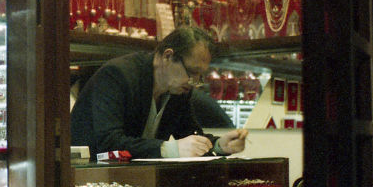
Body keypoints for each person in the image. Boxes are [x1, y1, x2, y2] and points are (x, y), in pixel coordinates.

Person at [70, 26, 248, 158]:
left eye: (199, 76)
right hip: (85, 176)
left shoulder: (178, 91)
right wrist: (169, 149)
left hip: (132, 179)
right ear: (168, 56)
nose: (194, 83)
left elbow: (190, 136)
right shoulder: (118, 75)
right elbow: (109, 143)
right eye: (191, 72)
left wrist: (219, 145)